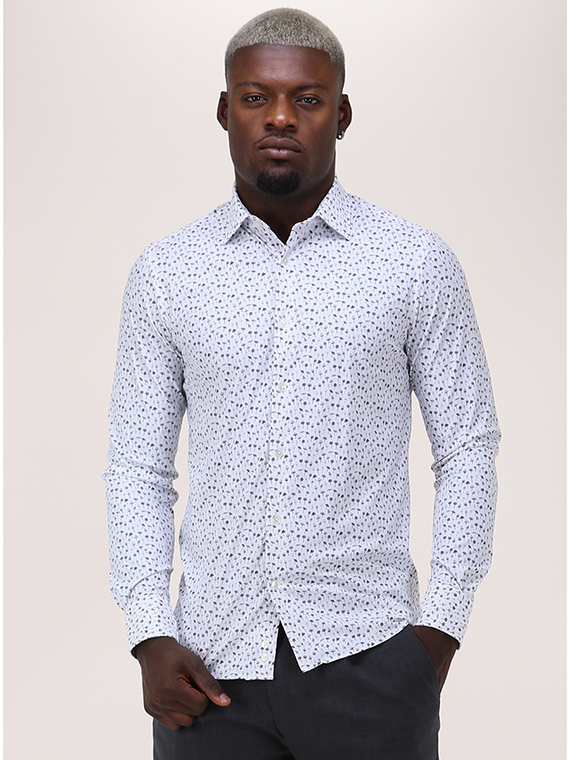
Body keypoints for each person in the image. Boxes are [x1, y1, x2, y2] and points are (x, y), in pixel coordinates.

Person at [104, 8, 500, 759]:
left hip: (371, 659)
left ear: (341, 114)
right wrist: (149, 634)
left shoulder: (415, 263)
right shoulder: (167, 273)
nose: (280, 117)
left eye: (307, 99)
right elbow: (137, 467)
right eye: (255, 97)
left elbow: (468, 449)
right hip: (208, 670)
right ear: (224, 111)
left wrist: (437, 636)